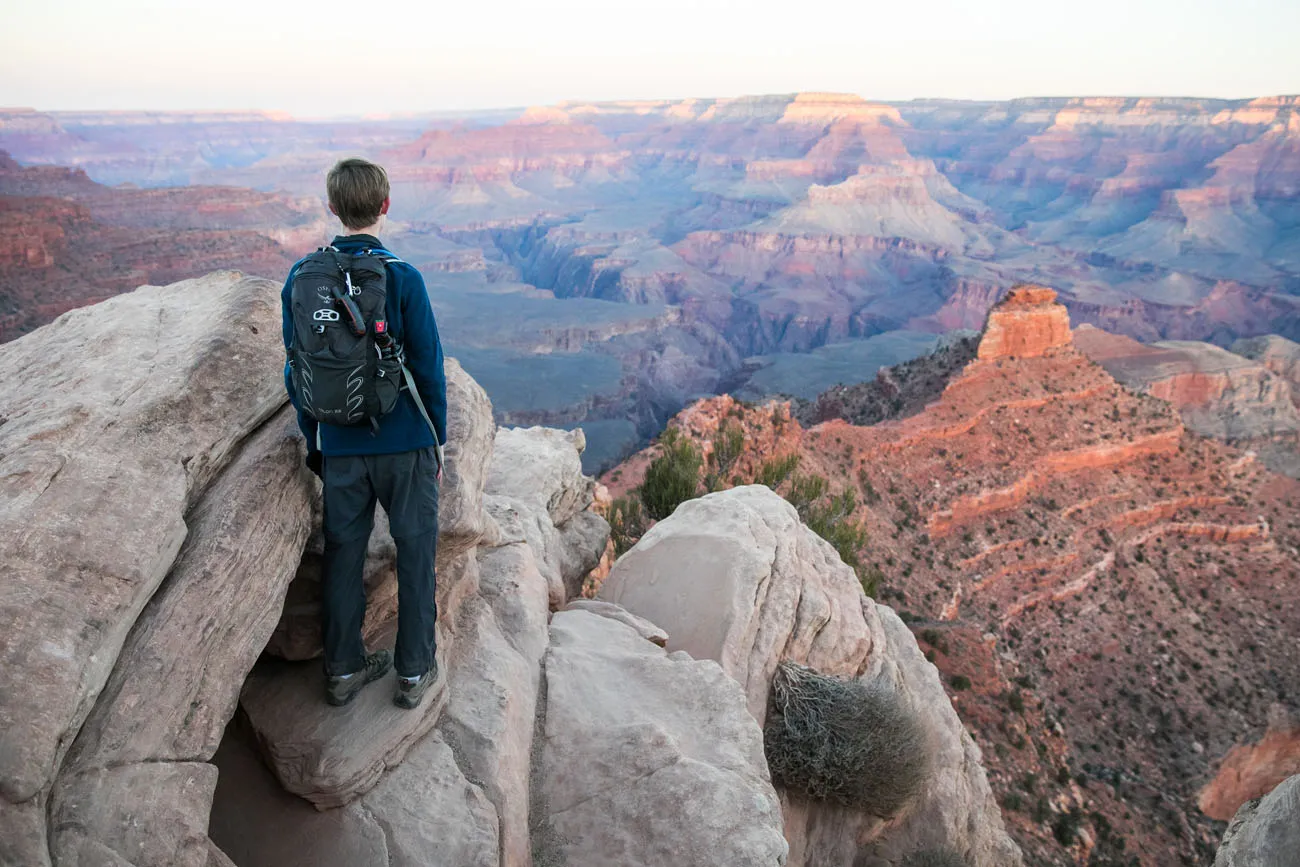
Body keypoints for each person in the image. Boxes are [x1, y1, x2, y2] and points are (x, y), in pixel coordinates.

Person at [281, 157, 448, 709]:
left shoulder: (303, 277)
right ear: (385, 205)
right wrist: (436, 440)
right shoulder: (403, 277)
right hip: (404, 444)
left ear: (332, 207)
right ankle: (413, 672)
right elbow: (427, 366)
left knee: (343, 556)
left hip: (341, 445)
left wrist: (316, 439)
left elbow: (295, 367)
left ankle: (343, 672)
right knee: (416, 553)